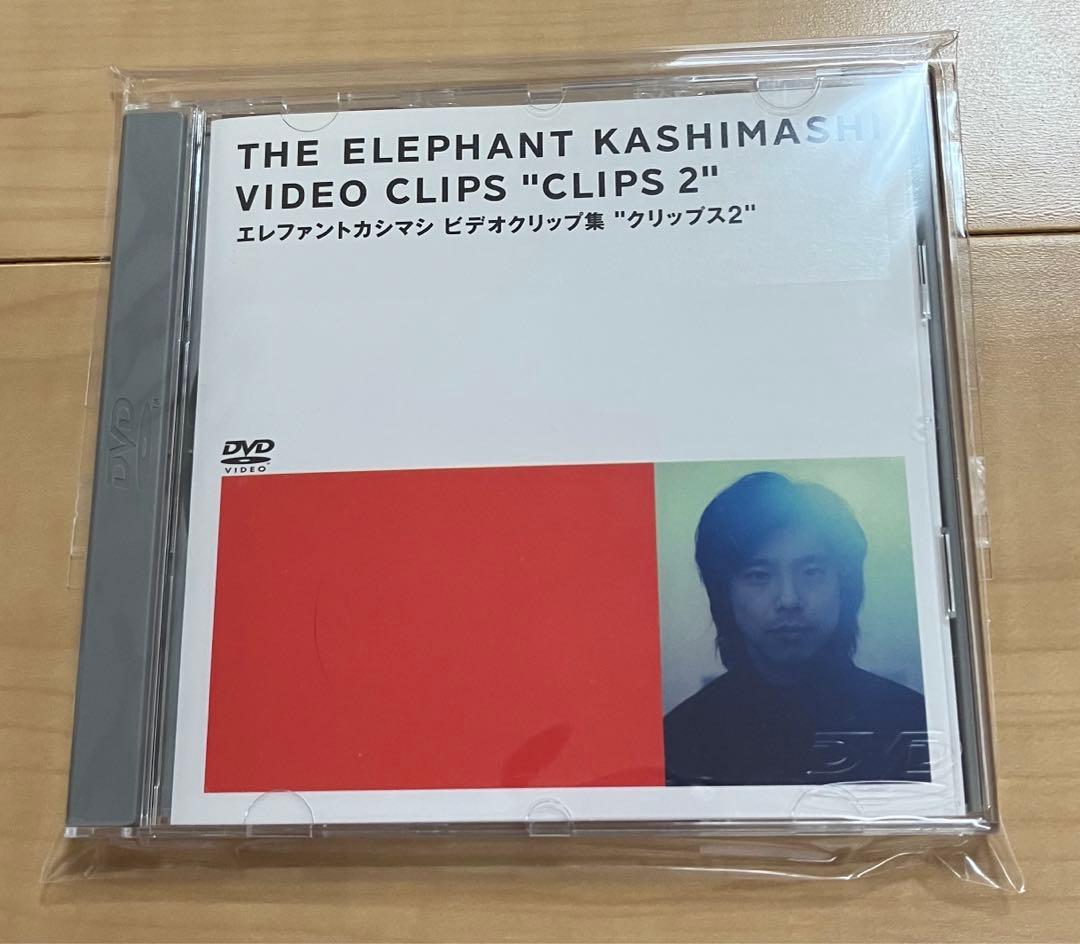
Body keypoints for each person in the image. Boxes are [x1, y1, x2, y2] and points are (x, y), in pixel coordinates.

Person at [663, 471, 930, 786]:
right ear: (724, 594)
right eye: (759, 575)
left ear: (844, 585)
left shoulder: (914, 723)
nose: (789, 600)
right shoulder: (678, 741)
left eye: (811, 572)